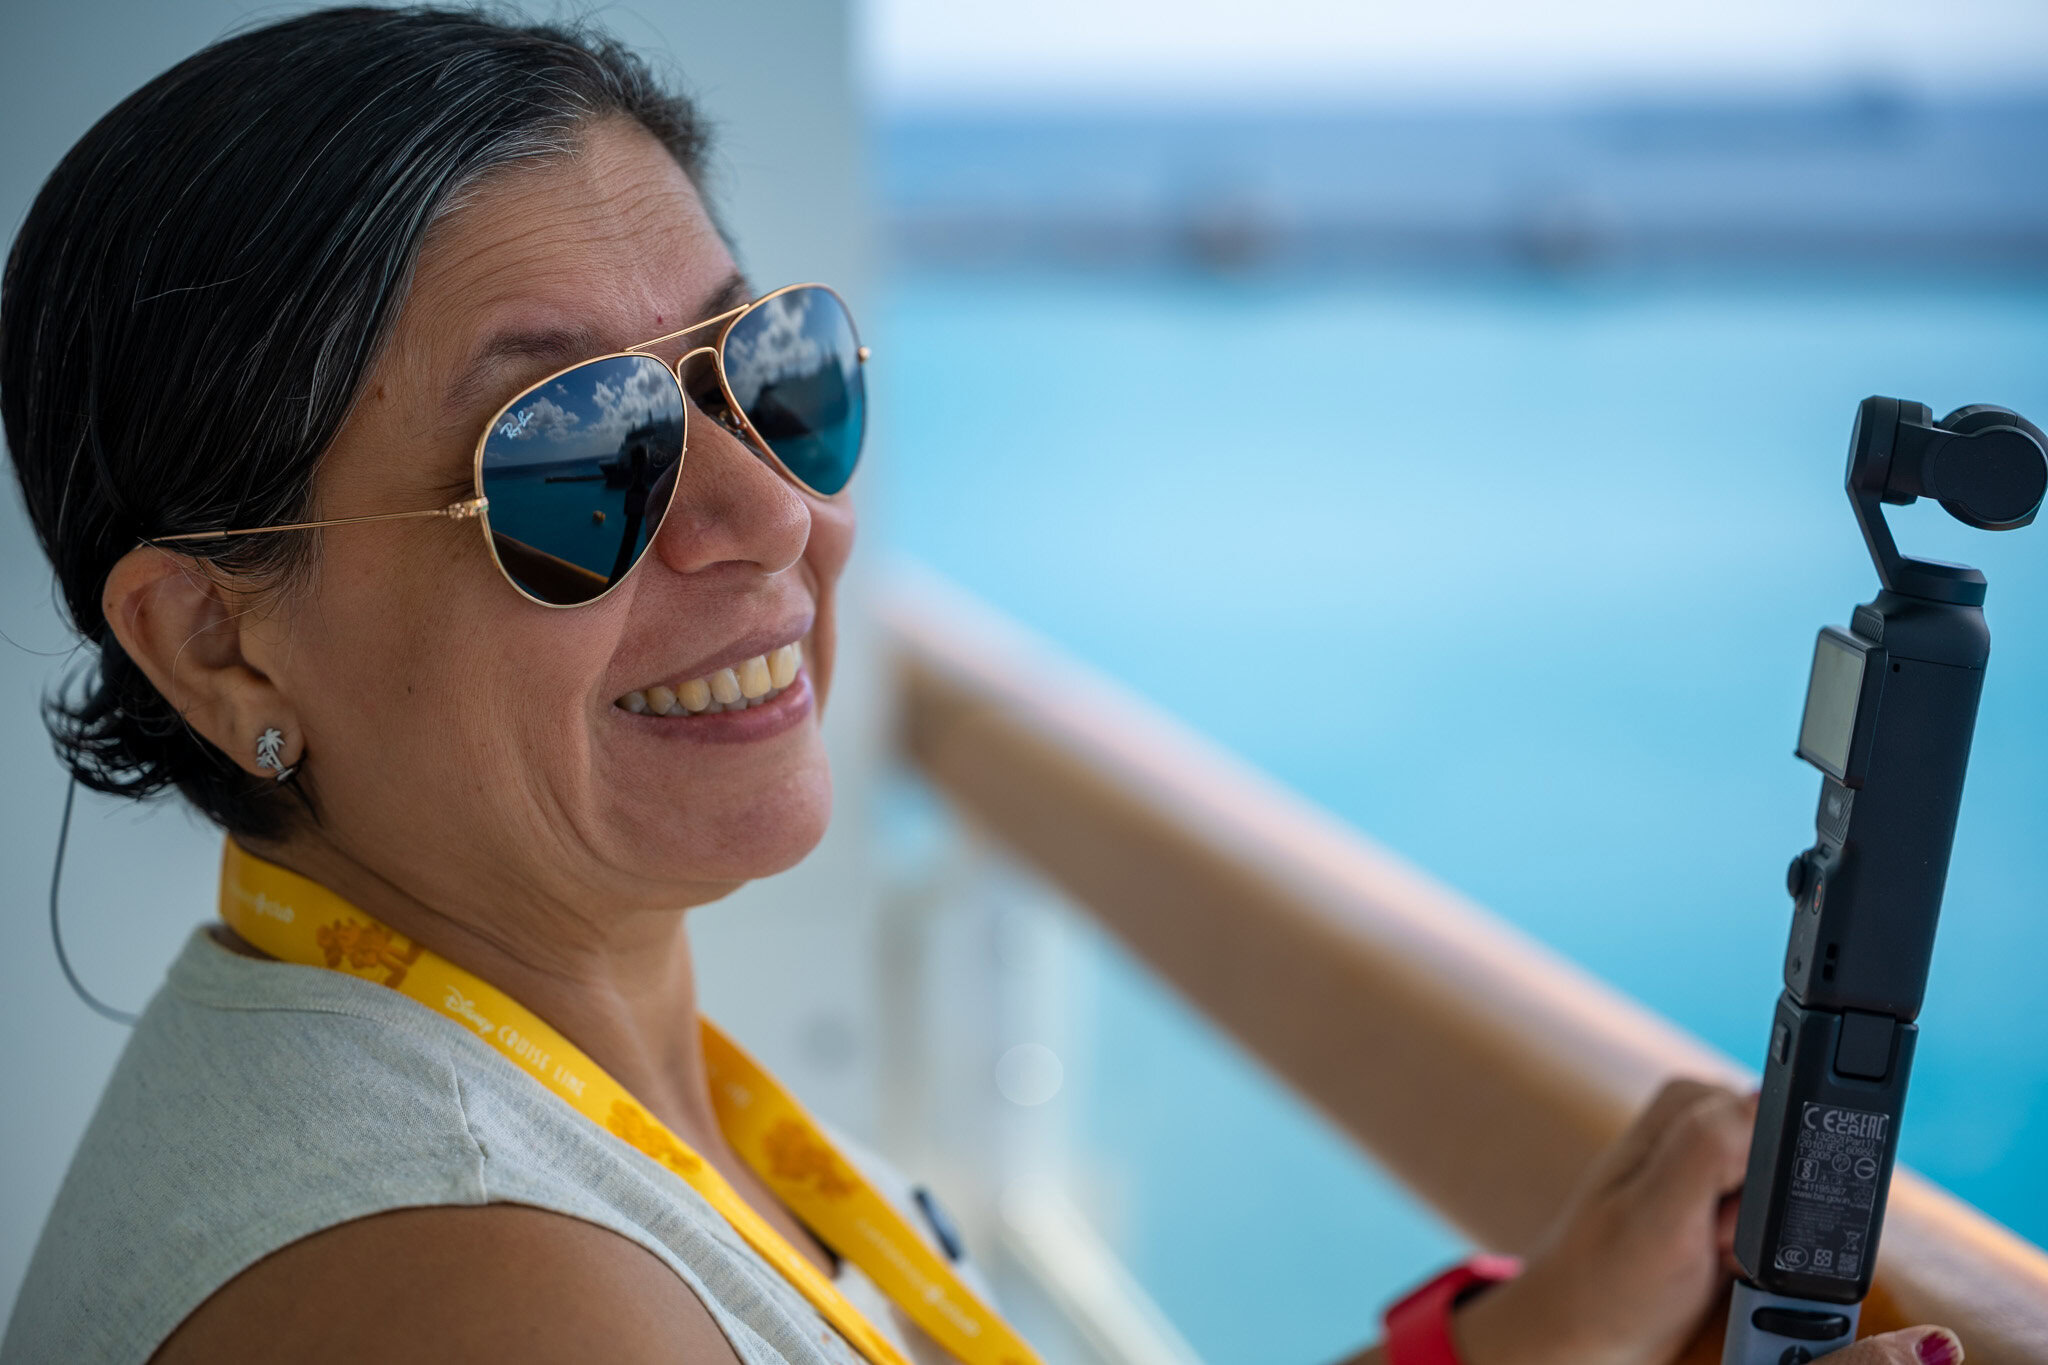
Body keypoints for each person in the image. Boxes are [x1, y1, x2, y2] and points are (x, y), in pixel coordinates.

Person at [0, 9, 1964, 1365]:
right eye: (576, 450)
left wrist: (1522, 1343)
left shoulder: (481, 1084)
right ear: (218, 639)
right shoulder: (480, 1290)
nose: (770, 513)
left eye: (767, 373)